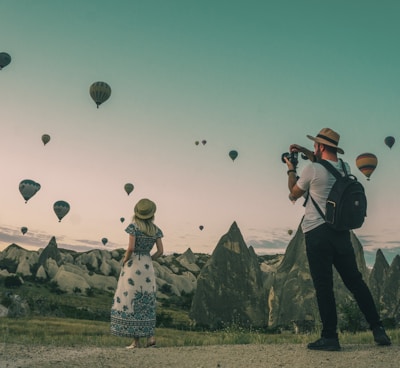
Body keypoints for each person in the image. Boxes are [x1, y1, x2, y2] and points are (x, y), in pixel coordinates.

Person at [284, 128, 391, 351]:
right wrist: (304, 150)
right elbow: (324, 164)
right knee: (356, 282)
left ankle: (330, 337)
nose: (314, 148)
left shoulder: (311, 169)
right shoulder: (345, 168)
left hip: (317, 233)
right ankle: (378, 329)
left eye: (315, 145)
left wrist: (291, 169)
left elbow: (294, 193)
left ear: (321, 146)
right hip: (342, 234)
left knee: (324, 286)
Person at [110, 198, 164, 349]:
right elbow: (160, 251)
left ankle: (136, 342)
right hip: (147, 266)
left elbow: (131, 248)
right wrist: (149, 259)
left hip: (134, 266)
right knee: (148, 300)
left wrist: (124, 260)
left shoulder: (133, 227)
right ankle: (151, 338)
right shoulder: (156, 230)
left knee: (132, 298)